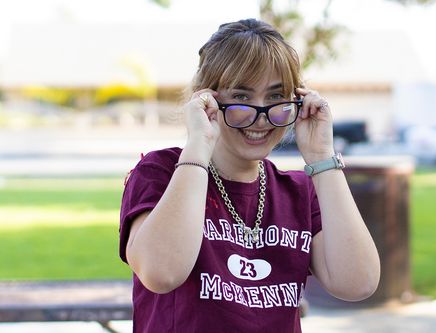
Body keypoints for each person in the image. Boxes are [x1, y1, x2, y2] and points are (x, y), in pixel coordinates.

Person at [119, 18, 380, 333]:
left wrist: (322, 157)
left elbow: (357, 282)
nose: (261, 117)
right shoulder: (162, 172)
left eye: (275, 97)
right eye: (242, 97)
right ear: (208, 98)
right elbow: (161, 273)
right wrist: (199, 144)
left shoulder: (297, 190)